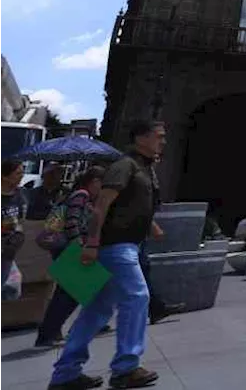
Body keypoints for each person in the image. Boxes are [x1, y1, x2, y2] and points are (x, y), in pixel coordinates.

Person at [48, 120, 166, 390]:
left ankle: (65, 373)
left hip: (125, 245)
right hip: (116, 246)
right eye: (159, 136)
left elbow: (134, 207)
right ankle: (126, 367)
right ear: (141, 138)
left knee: (97, 311)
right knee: (137, 297)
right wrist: (91, 243)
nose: (163, 141)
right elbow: (101, 206)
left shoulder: (145, 169)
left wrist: (152, 226)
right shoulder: (125, 165)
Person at [35, 166, 108, 349]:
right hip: (70, 247)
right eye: (102, 184)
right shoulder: (81, 195)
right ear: (94, 182)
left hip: (67, 247)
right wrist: (80, 245)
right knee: (70, 293)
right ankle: (50, 332)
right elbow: (72, 222)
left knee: (69, 292)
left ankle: (52, 331)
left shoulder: (81, 196)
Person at [1, 158, 27, 299]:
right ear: (4, 176)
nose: (21, 176)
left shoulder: (20, 196)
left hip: (7, 252)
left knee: (6, 288)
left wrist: (17, 233)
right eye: (17, 173)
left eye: (22, 173)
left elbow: (20, 220)